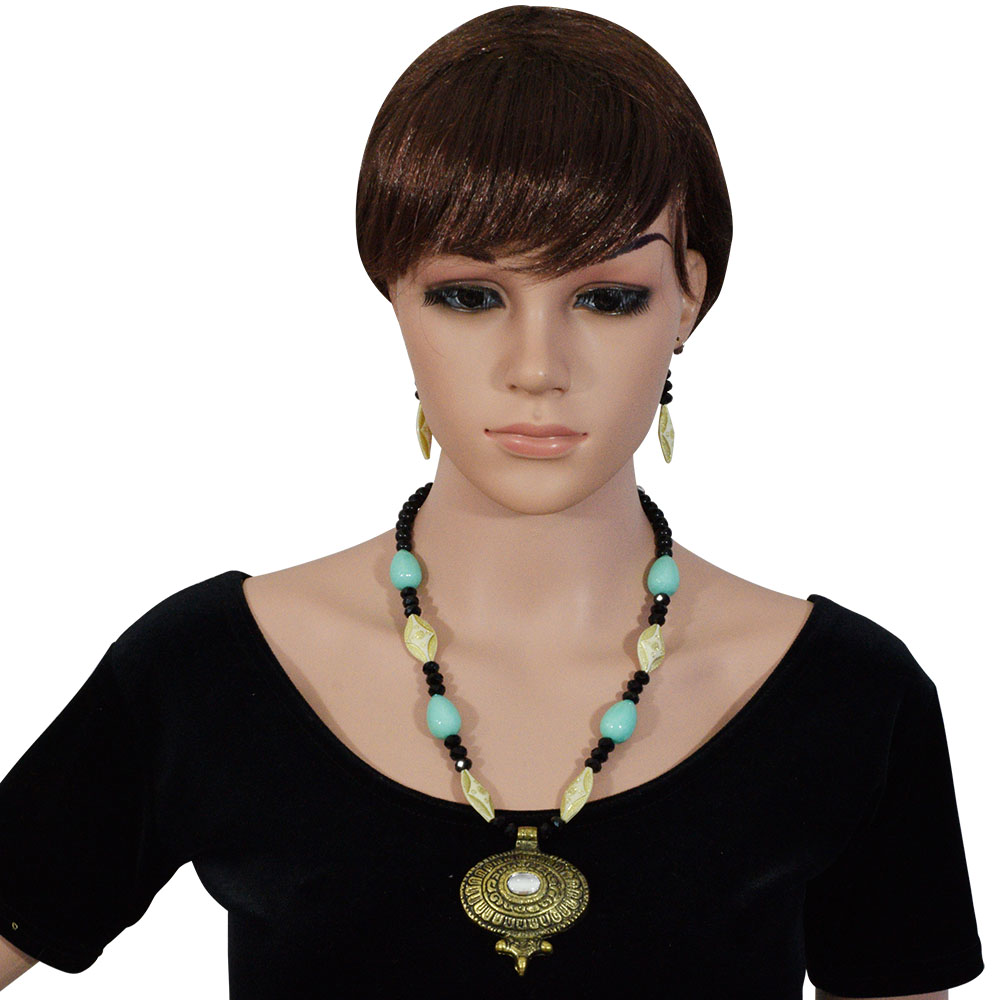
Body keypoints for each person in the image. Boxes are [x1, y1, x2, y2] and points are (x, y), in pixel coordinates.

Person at [0, 5, 986, 998]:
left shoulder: (849, 700)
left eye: (606, 296)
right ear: (392, 290)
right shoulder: (205, 675)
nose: (536, 367)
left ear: (688, 294)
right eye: (470, 296)